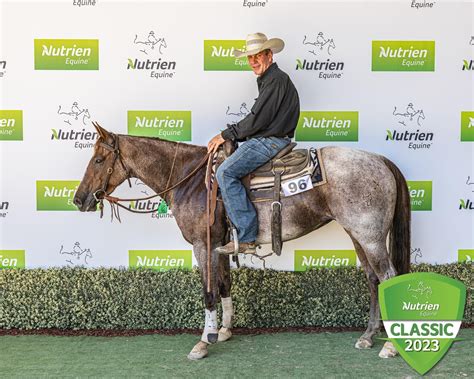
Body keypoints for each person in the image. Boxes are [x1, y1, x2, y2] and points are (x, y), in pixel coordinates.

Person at [207, 32, 300, 255]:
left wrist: (226, 135)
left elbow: (258, 120)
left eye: (257, 55)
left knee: (225, 173)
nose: (253, 61)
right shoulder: (271, 80)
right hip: (270, 139)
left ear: (269, 55)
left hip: (269, 142)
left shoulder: (276, 80)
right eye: (250, 57)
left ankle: (247, 237)